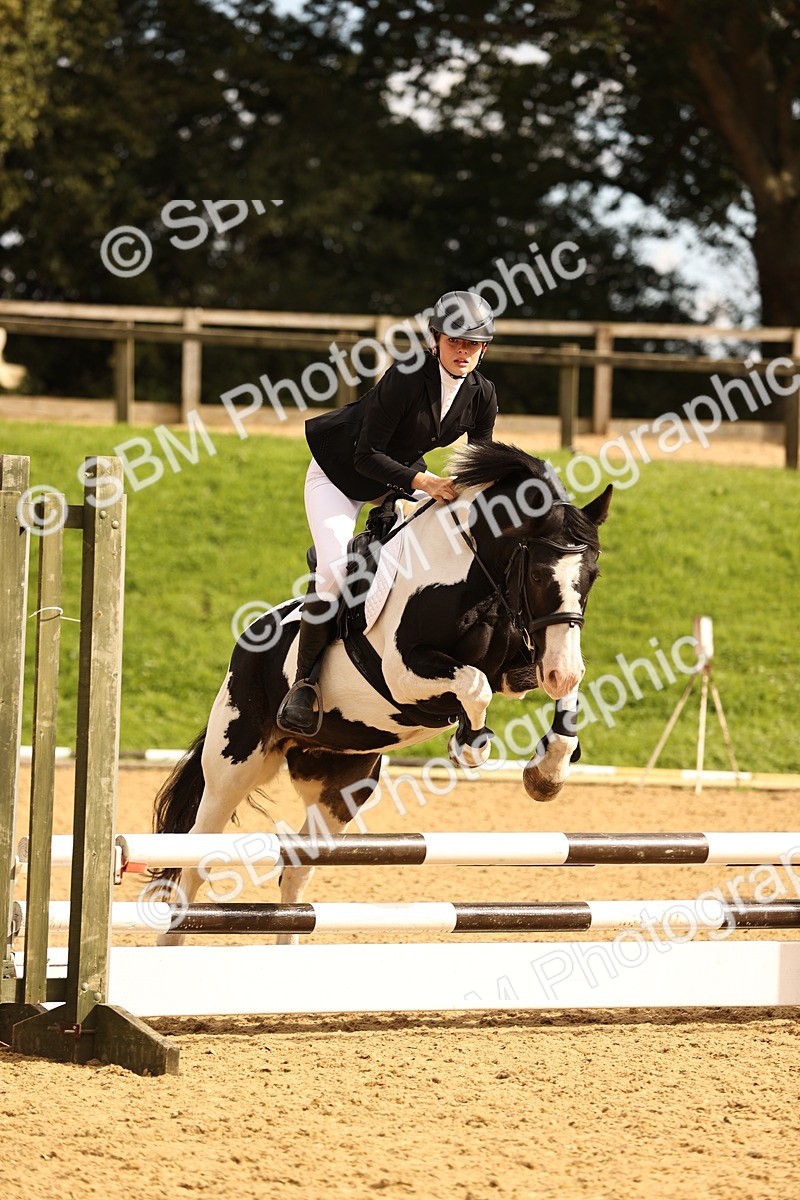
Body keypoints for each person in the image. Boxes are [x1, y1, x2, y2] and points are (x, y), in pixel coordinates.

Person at [276, 290, 498, 735]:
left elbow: (479, 466)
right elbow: (365, 455)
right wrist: (426, 483)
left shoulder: (482, 394)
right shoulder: (407, 376)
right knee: (335, 572)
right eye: (454, 341)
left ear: (484, 349)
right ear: (435, 340)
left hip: (399, 477)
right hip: (340, 474)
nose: (463, 351)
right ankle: (304, 685)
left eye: (473, 344)